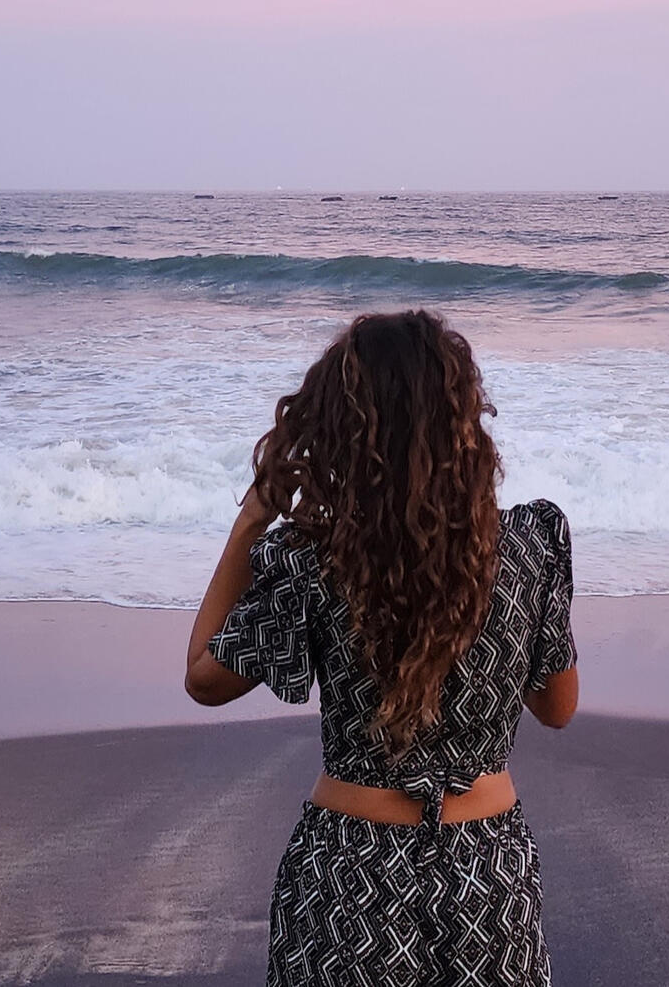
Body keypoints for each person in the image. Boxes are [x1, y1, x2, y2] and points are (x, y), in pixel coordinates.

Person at [186, 307, 578, 986]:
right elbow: (557, 707)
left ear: (338, 430)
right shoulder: (526, 547)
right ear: (464, 421)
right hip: (488, 874)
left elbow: (204, 678)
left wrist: (252, 518)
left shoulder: (311, 558)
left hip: (348, 872)